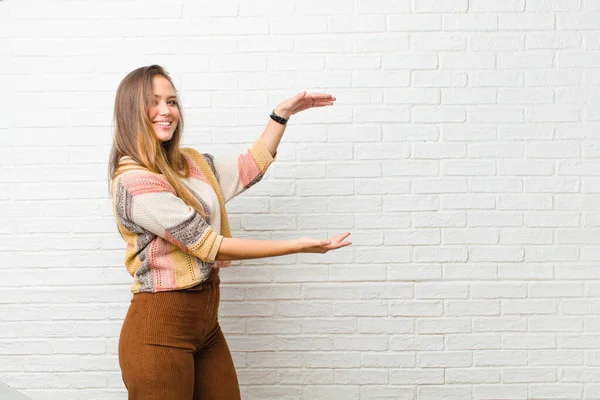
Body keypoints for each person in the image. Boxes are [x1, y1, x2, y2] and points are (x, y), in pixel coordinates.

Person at [108, 64, 352, 400]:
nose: (166, 111)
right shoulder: (134, 181)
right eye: (154, 102)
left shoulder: (188, 162)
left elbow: (249, 167)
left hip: (206, 323)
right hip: (159, 327)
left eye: (172, 101)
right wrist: (295, 246)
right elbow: (210, 246)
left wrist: (281, 115)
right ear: (131, 110)